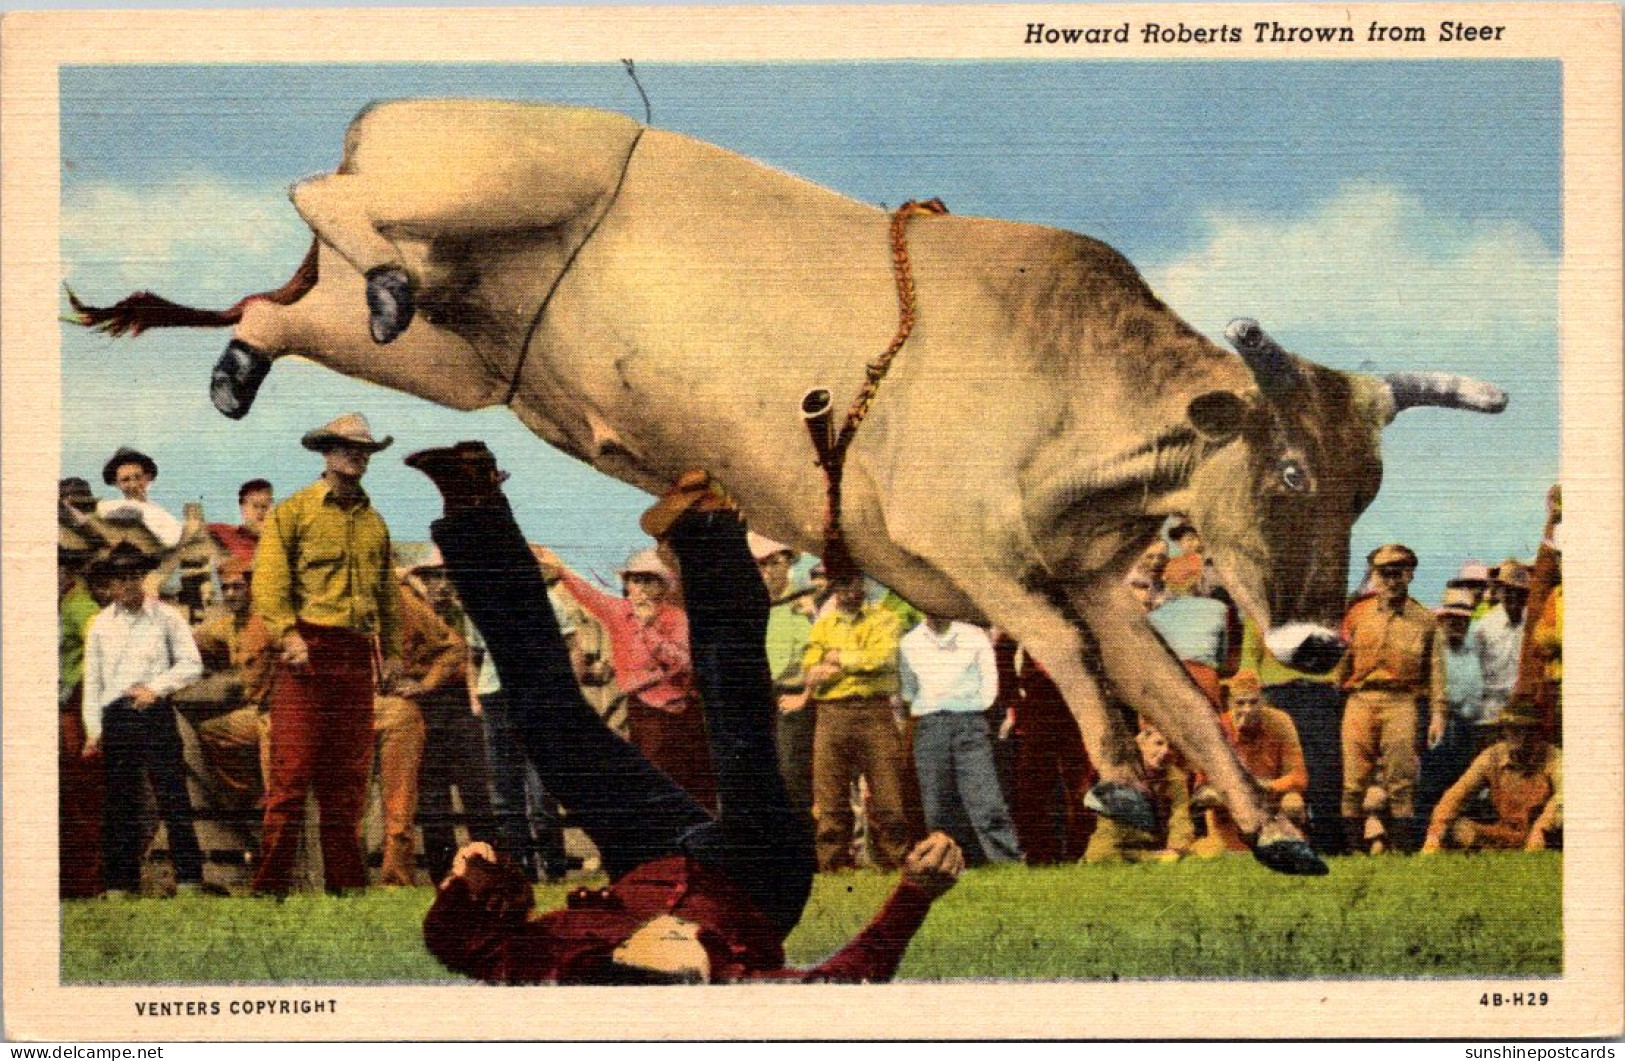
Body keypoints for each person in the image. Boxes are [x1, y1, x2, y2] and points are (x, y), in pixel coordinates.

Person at [407, 444, 962, 984]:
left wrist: (474, 880)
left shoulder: (551, 965)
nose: (676, 939)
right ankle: (709, 530)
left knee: (549, 726)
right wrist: (915, 894)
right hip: (759, 879)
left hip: (646, 856)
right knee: (738, 721)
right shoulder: (738, 980)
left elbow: (458, 941)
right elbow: (842, 980)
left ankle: (473, 506)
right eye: (686, 950)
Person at [251, 413, 403, 895]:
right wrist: (287, 635)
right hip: (306, 653)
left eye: (364, 450)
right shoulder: (292, 513)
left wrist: (393, 653)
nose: (356, 456)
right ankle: (269, 890)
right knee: (291, 778)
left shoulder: (375, 523)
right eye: (346, 447)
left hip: (356, 656)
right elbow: (269, 584)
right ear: (326, 453)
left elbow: (387, 596)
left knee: (349, 779)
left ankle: (347, 889)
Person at [552, 521, 717, 810]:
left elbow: (682, 664)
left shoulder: (675, 618)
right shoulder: (619, 612)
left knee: (693, 784)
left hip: (680, 712)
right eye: (634, 580)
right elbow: (588, 594)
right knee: (652, 779)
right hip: (644, 711)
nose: (639, 588)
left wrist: (647, 629)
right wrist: (560, 568)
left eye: (647, 580)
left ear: (662, 585)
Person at [80, 542, 206, 896]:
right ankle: (120, 885)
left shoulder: (166, 617)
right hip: (117, 716)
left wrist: (156, 688)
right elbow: (93, 683)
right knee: (120, 802)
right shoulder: (101, 626)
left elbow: (191, 663)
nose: (129, 585)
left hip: (154, 713)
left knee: (173, 796)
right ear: (110, 585)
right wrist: (94, 730)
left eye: (136, 576)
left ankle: (189, 880)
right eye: (121, 579)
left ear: (144, 578)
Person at [1332, 543, 1447, 853]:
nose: (1390, 581)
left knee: (1400, 779)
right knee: (1353, 781)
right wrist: (1334, 693)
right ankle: (1355, 851)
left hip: (1401, 701)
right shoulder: (1357, 614)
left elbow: (1436, 672)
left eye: (1397, 574)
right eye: (1383, 574)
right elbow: (1342, 662)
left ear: (1409, 575)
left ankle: (1399, 849)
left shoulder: (1425, 620)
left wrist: (1437, 715)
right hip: (1360, 700)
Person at [803, 571, 911, 871]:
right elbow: (811, 670)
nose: (846, 589)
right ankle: (833, 865)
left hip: (873, 711)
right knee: (830, 795)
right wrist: (845, 663)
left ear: (863, 583)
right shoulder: (824, 624)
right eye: (840, 583)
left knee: (887, 793)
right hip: (830, 714)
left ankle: (895, 861)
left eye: (852, 582)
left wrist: (839, 660)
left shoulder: (884, 618)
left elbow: (883, 659)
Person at [400, 563, 499, 884]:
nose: (442, 585)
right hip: (424, 709)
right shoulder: (409, 614)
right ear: (422, 581)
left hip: (462, 708)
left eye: (448, 576)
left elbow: (473, 660)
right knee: (432, 798)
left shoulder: (469, 615)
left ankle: (489, 871)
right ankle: (443, 877)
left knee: (477, 796)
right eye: (433, 577)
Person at [898, 614, 1022, 864]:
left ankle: (1008, 864)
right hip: (930, 724)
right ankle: (946, 866)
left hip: (970, 721)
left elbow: (990, 686)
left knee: (986, 801)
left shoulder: (973, 636)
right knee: (937, 806)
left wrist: (967, 707)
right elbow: (909, 690)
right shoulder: (909, 642)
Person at [186, 555, 277, 824]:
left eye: (237, 587)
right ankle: (247, 795)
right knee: (210, 731)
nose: (230, 594)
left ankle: (267, 809)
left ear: (251, 587)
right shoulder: (229, 625)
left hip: (278, 717)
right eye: (225, 588)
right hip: (253, 715)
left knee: (281, 794)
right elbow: (194, 639)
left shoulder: (269, 622)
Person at [996, 637, 1094, 864]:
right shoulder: (1027, 613)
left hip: (1077, 695)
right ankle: (1040, 853)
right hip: (1040, 696)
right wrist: (1013, 698)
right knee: (1034, 783)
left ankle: (1080, 849)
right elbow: (1003, 649)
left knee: (1081, 778)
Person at [1193, 671, 1308, 856]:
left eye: (1253, 702)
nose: (1247, 709)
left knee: (1293, 803)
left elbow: (1299, 778)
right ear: (1229, 703)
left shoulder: (1280, 721)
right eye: (1240, 703)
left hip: (1269, 801)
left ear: (1263, 701)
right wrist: (1227, 793)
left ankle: (1290, 841)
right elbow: (1201, 787)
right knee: (1215, 848)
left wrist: (1265, 787)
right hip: (1231, 808)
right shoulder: (1218, 727)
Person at [1422, 700, 1561, 853]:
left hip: (1545, 834)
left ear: (1535, 732)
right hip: (1505, 832)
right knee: (1457, 829)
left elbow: (1564, 797)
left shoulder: (1554, 758)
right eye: (1509, 728)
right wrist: (1433, 835)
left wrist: (1541, 828)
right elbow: (1456, 795)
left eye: (1522, 728)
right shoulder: (1492, 756)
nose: (1514, 734)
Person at [751, 532, 819, 824]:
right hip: (758, 698)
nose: (766, 570)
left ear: (788, 563)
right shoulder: (751, 606)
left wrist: (804, 696)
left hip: (794, 697)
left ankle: (800, 845)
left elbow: (819, 654)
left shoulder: (805, 603)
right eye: (760, 564)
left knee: (792, 773)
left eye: (773, 562)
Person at [59, 528, 106, 898]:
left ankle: (86, 884)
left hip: (75, 710)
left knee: (80, 797)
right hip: (57, 710)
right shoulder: (58, 605)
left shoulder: (80, 607)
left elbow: (100, 654)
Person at [1414, 586, 1484, 827]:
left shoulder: (1472, 649)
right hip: (1434, 721)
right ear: (1441, 618)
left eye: (1463, 619)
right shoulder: (1430, 648)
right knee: (1429, 783)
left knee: (1461, 784)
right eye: (1452, 618)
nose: (1457, 624)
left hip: (1465, 727)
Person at [1084, 722, 1194, 864]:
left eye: (1172, 747)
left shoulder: (1176, 778)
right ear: (1142, 744)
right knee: (1101, 855)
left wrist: (1176, 848)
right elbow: (1110, 829)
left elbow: (1180, 815)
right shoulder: (1121, 772)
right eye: (1158, 743)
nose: (1166, 751)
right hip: (1118, 842)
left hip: (1156, 843)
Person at [1467, 558, 1531, 747]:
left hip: (1523, 712)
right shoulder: (1484, 626)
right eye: (1509, 591)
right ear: (1500, 591)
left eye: (1520, 592)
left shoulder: (1534, 622)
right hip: (1491, 713)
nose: (1514, 597)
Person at [97, 446, 183, 548]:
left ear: (148, 477)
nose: (133, 484)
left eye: (138, 477)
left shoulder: (158, 511)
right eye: (125, 480)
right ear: (116, 483)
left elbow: (172, 540)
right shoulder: (111, 506)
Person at [209, 479, 274, 568]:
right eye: (255, 506)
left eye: (265, 506)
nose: (260, 511)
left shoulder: (283, 543)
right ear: (242, 509)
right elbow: (191, 527)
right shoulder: (224, 532)